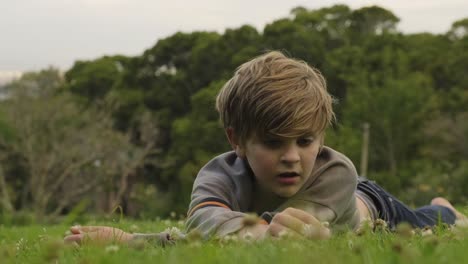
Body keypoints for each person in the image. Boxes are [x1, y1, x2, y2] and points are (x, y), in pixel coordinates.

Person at [64, 51, 464, 244]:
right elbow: (205, 229)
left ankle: (445, 207)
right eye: (273, 143)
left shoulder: (336, 172)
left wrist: (135, 240)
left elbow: (283, 237)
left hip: (373, 207)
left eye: (305, 141)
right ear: (236, 140)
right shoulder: (217, 177)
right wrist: (126, 240)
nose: (292, 156)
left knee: (428, 224)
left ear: (321, 138)